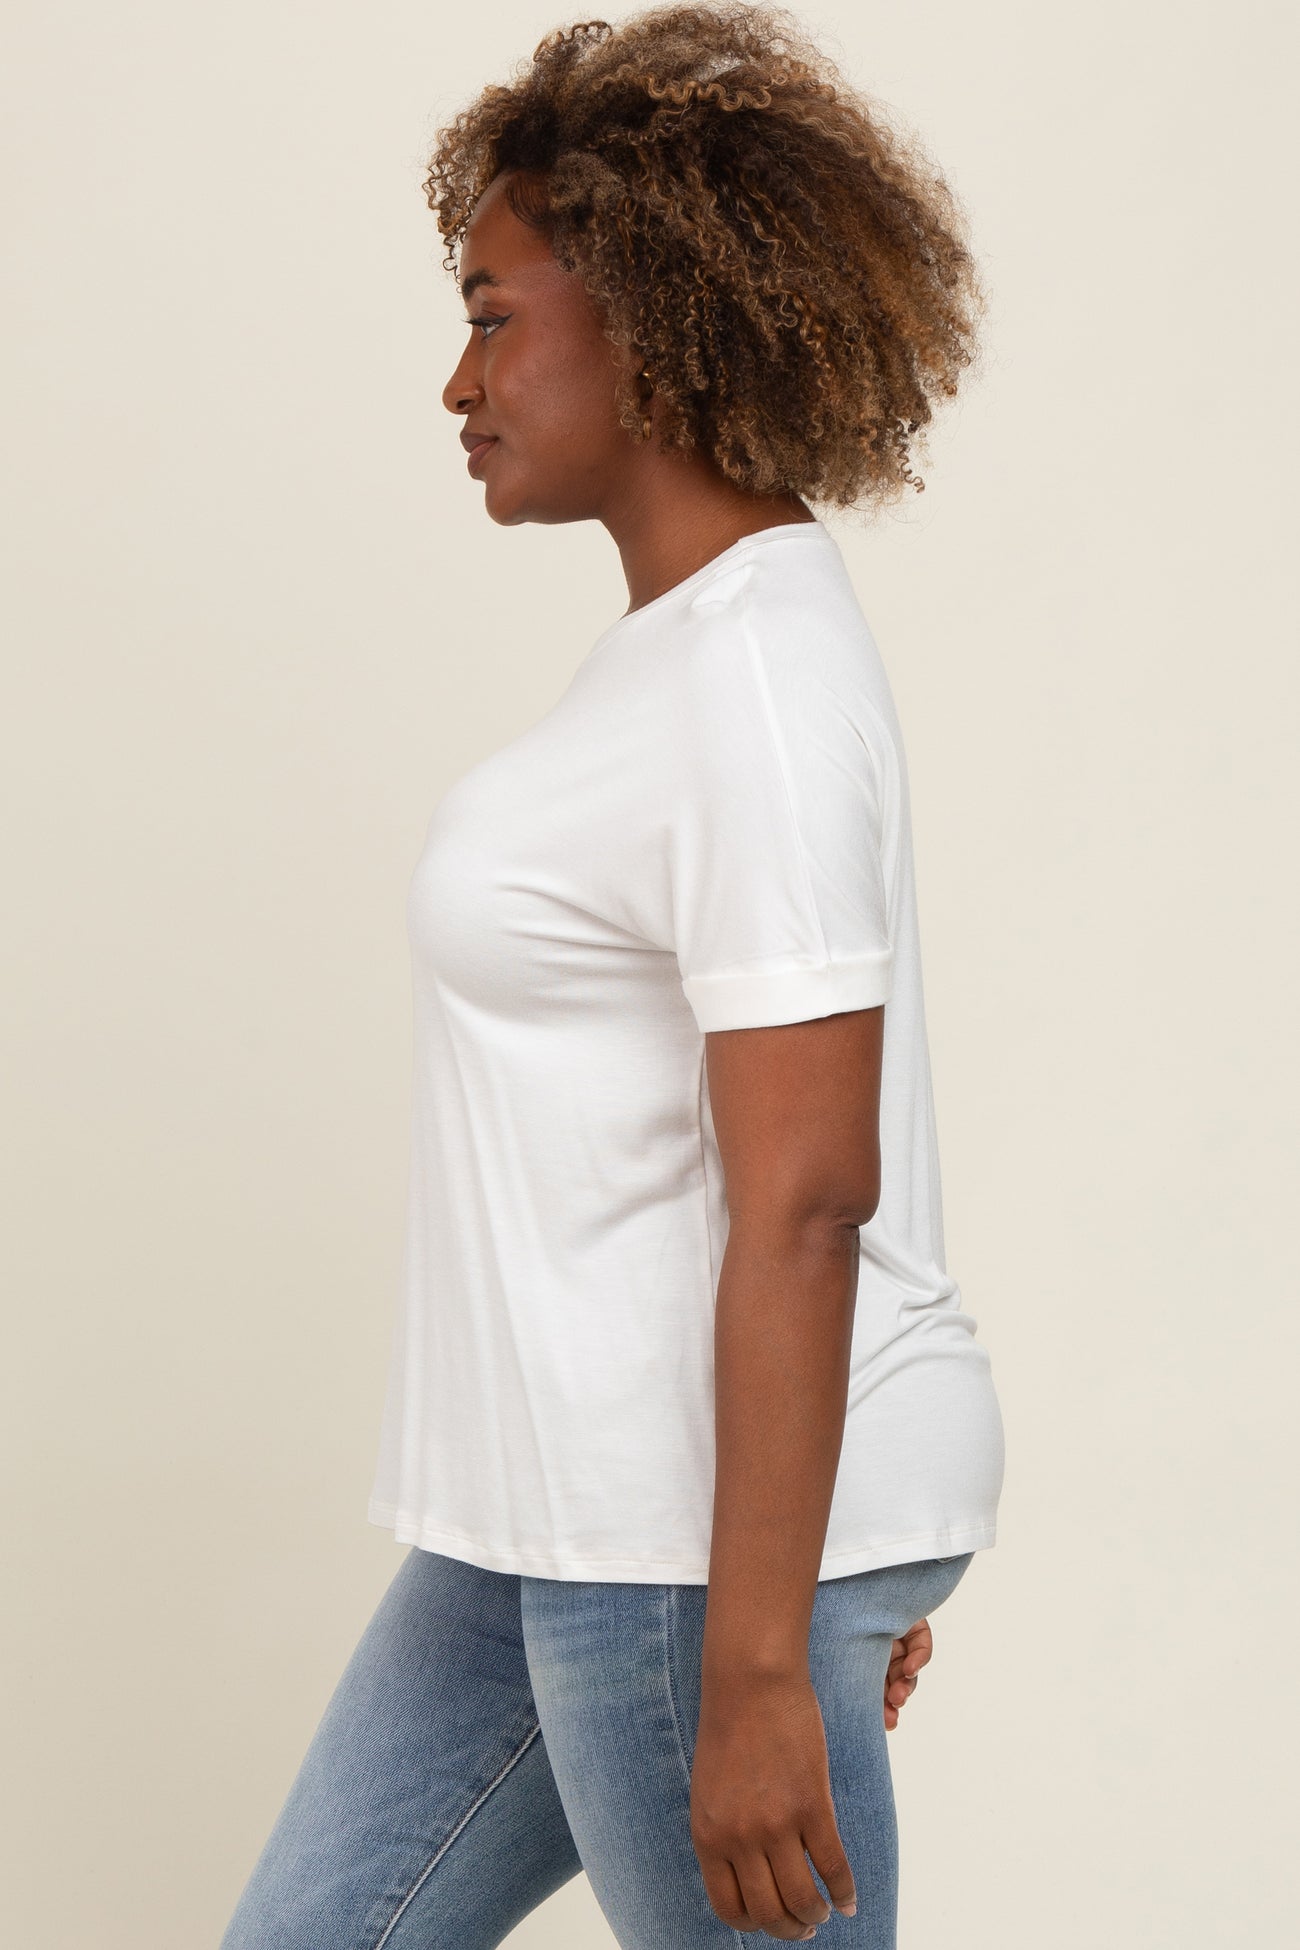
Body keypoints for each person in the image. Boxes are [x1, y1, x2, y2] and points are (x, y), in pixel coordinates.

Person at [219, 6, 1005, 1946]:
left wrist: (764, 1650)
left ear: (645, 322)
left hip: (676, 1553)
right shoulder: (676, 659)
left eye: (492, 317)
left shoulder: (752, 680)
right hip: (557, 1522)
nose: (457, 379)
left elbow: (807, 1192)